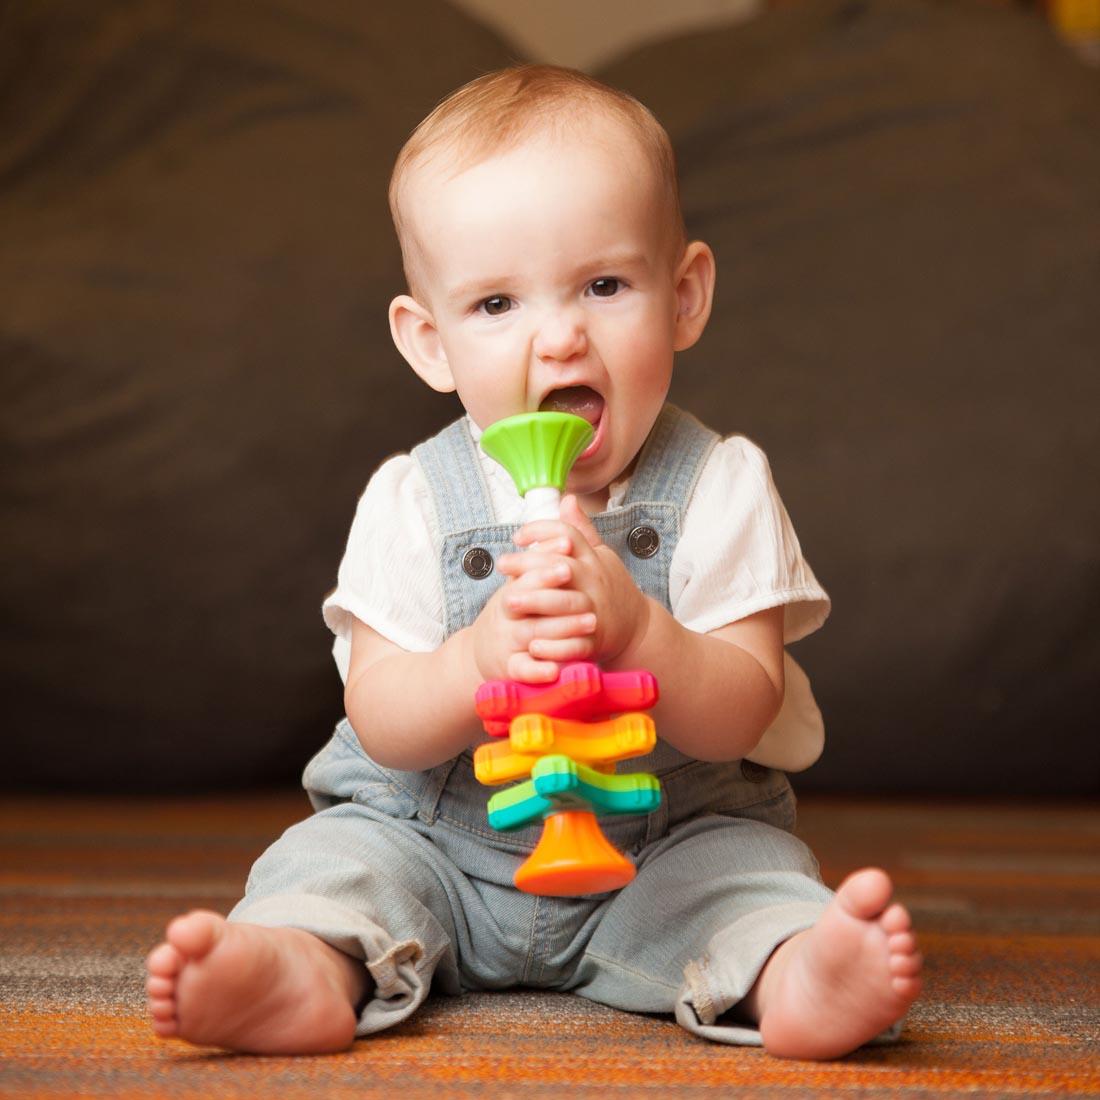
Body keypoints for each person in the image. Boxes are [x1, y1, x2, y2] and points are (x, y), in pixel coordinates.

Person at [144, 65, 922, 1059]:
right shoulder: (416, 497)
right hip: (435, 845)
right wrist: (476, 661)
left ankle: (791, 970)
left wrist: (642, 632)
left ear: (682, 297)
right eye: (496, 302)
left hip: (659, 847)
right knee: (336, 862)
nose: (559, 334)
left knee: (748, 878)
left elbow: (740, 707)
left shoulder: (718, 484)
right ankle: (296, 966)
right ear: (428, 342)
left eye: (603, 285)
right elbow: (380, 721)